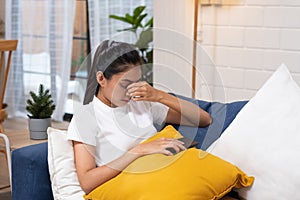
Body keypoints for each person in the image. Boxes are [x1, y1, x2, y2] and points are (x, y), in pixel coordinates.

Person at [67, 40, 212, 194]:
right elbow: (87, 182)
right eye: (125, 84)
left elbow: (204, 119)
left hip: (168, 177)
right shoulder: (86, 118)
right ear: (101, 79)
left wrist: (159, 95)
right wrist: (138, 151)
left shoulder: (140, 104)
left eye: (136, 83)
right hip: (135, 188)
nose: (130, 91)